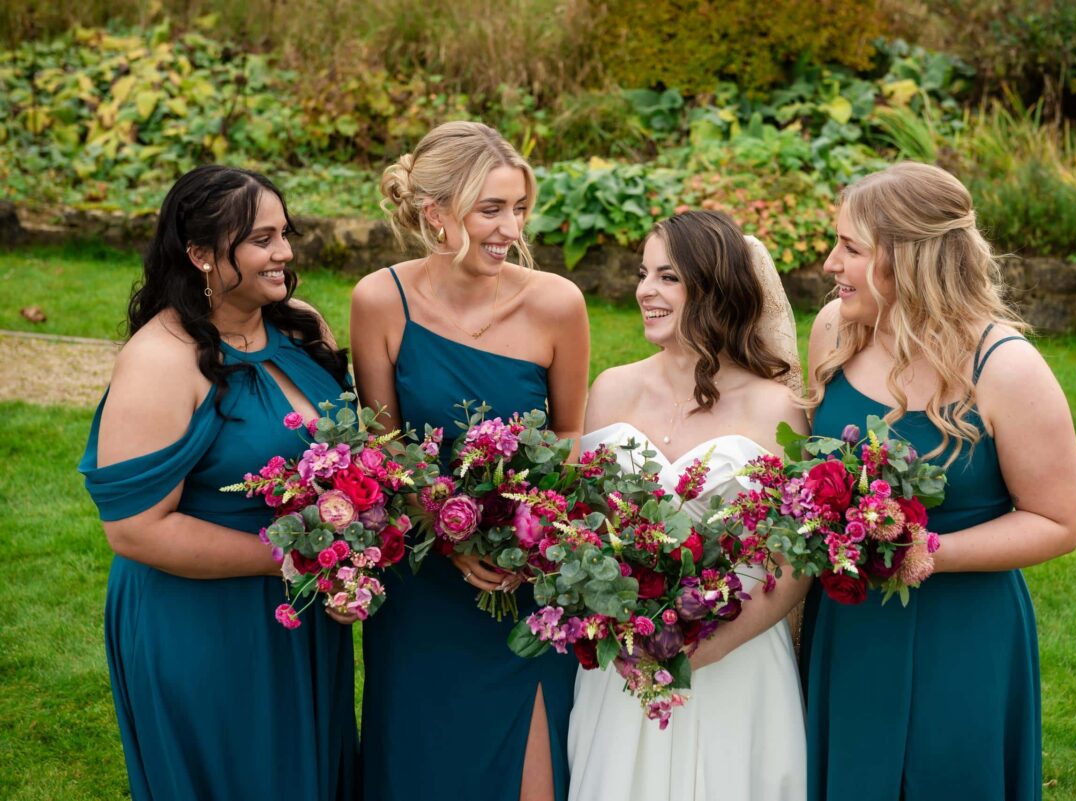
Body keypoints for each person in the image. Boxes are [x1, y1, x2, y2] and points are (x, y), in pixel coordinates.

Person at [801, 161, 1076, 801]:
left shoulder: (1005, 366)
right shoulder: (835, 330)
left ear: (909, 258)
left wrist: (928, 552)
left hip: (961, 632)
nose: (829, 264)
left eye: (850, 248)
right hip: (849, 623)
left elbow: (1060, 521)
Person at [78, 165, 356, 800]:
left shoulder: (302, 327)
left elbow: (347, 456)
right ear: (200, 254)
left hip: (300, 610)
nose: (285, 251)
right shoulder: (158, 361)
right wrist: (298, 560)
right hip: (204, 621)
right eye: (260, 239)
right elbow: (135, 529)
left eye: (284, 232)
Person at [350, 121, 590, 801]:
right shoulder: (380, 301)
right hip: (423, 584)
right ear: (436, 212)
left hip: (526, 584)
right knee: (421, 762)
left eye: (518, 208)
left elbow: (571, 433)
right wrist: (449, 533)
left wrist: (532, 534)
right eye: (491, 208)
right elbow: (384, 449)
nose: (510, 227)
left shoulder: (557, 304)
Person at [568, 209, 810, 801]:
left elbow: (796, 561)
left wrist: (700, 652)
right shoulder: (612, 389)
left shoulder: (777, 408)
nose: (645, 290)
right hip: (623, 662)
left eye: (667, 277)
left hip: (737, 662)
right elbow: (577, 529)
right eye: (643, 273)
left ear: (714, 286)